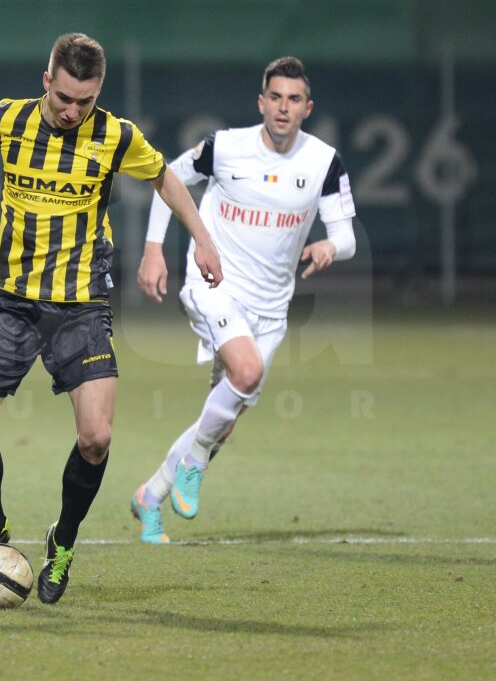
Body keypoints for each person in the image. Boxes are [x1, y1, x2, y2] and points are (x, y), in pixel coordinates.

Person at [0, 32, 223, 604]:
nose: (72, 111)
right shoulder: (9, 120)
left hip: (81, 301)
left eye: (84, 101)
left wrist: (203, 240)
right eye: (64, 97)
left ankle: (61, 541)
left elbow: (165, 177)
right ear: (47, 81)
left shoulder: (115, 135)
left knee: (95, 438)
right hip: (10, 297)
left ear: (99, 94)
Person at [130, 56, 356, 543]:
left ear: (307, 108)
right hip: (214, 283)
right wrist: (153, 250)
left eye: (293, 99)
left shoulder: (323, 162)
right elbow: (167, 176)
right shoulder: (226, 148)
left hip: (272, 309)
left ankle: (150, 495)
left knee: (221, 422)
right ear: (261, 102)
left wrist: (329, 245)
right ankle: (193, 466)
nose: (283, 107)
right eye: (275, 97)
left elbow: (346, 235)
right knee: (246, 374)